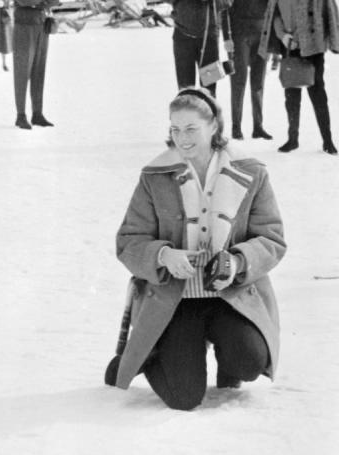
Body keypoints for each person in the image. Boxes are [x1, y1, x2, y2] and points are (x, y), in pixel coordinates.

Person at [106, 88, 286, 410]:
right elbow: (128, 241)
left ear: (214, 127)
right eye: (175, 129)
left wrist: (237, 261)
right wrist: (163, 255)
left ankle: (226, 355)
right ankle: (147, 354)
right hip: (175, 301)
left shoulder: (252, 171)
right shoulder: (155, 177)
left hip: (230, 296)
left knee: (250, 362)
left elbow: (271, 237)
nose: (182, 138)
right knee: (184, 398)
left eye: (191, 129)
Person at [258, 0, 339, 154]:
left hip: (314, 45)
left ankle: (327, 140)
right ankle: (292, 139)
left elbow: (327, 10)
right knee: (291, 94)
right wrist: (283, 36)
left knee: (318, 93)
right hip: (290, 46)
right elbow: (275, 15)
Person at [11, 0, 59, 129]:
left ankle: (37, 114)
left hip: (42, 27)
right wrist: (42, 2)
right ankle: (20, 115)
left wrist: (39, 4)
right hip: (24, 28)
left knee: (39, 71)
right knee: (22, 72)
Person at [228, 0, 272, 139]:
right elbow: (225, 9)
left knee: (258, 84)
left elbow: (274, 8)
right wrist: (227, 37)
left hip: (262, 35)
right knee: (238, 82)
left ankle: (258, 127)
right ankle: (236, 127)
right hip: (240, 34)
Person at [170, 0, 232, 96]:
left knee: (209, 89)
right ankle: (187, 110)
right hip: (182, 37)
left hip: (209, 39)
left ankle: (209, 109)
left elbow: (227, 2)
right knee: (185, 89)